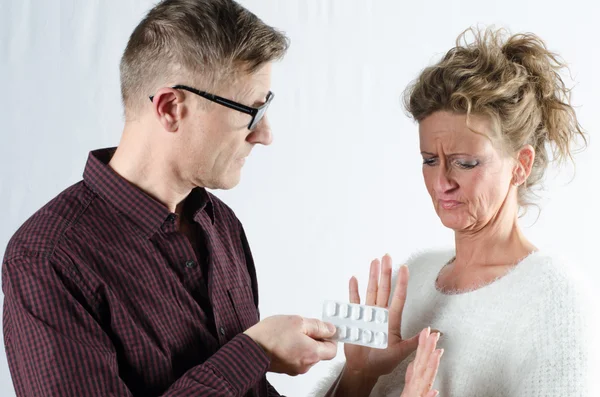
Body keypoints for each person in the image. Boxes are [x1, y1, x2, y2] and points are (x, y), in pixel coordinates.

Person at [1, 1, 441, 396]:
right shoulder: (47, 260)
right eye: (252, 112)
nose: (265, 135)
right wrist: (252, 351)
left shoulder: (219, 224)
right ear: (171, 108)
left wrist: (358, 378)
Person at [315, 27, 592, 396]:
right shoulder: (414, 277)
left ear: (520, 164)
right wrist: (357, 378)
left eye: (465, 163)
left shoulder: (553, 297)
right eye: (430, 160)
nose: (442, 182)